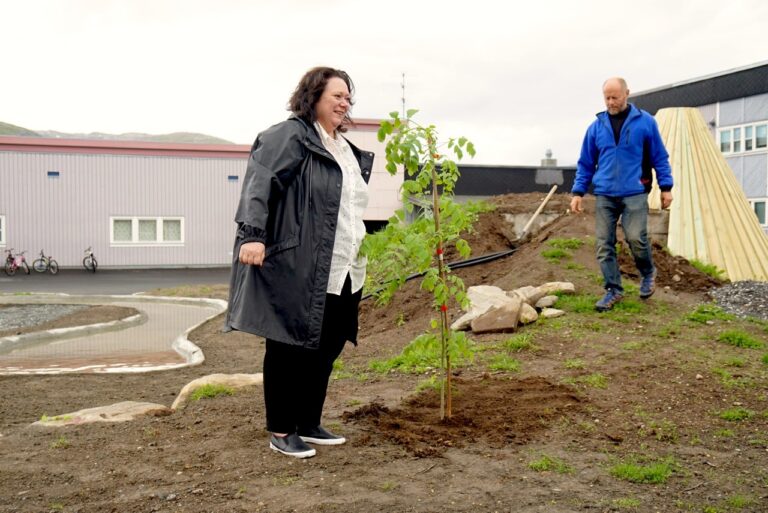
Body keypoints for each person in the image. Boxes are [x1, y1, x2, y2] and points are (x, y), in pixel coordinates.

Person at [224, 67, 374, 458]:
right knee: (289, 345)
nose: (344, 103)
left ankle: (307, 422)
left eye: (347, 97)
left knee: (327, 344)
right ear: (314, 96)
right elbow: (260, 182)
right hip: (301, 260)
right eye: (337, 95)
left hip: (343, 265)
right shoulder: (289, 135)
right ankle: (281, 429)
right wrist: (252, 235)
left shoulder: (342, 146)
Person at [570, 77, 674, 312]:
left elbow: (659, 156)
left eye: (615, 96)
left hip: (635, 190)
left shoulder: (645, 122)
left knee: (636, 237)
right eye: (606, 97)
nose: (610, 102)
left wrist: (666, 187)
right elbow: (585, 163)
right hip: (605, 193)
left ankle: (648, 273)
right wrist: (578, 192)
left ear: (627, 93)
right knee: (603, 245)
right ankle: (613, 290)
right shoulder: (596, 127)